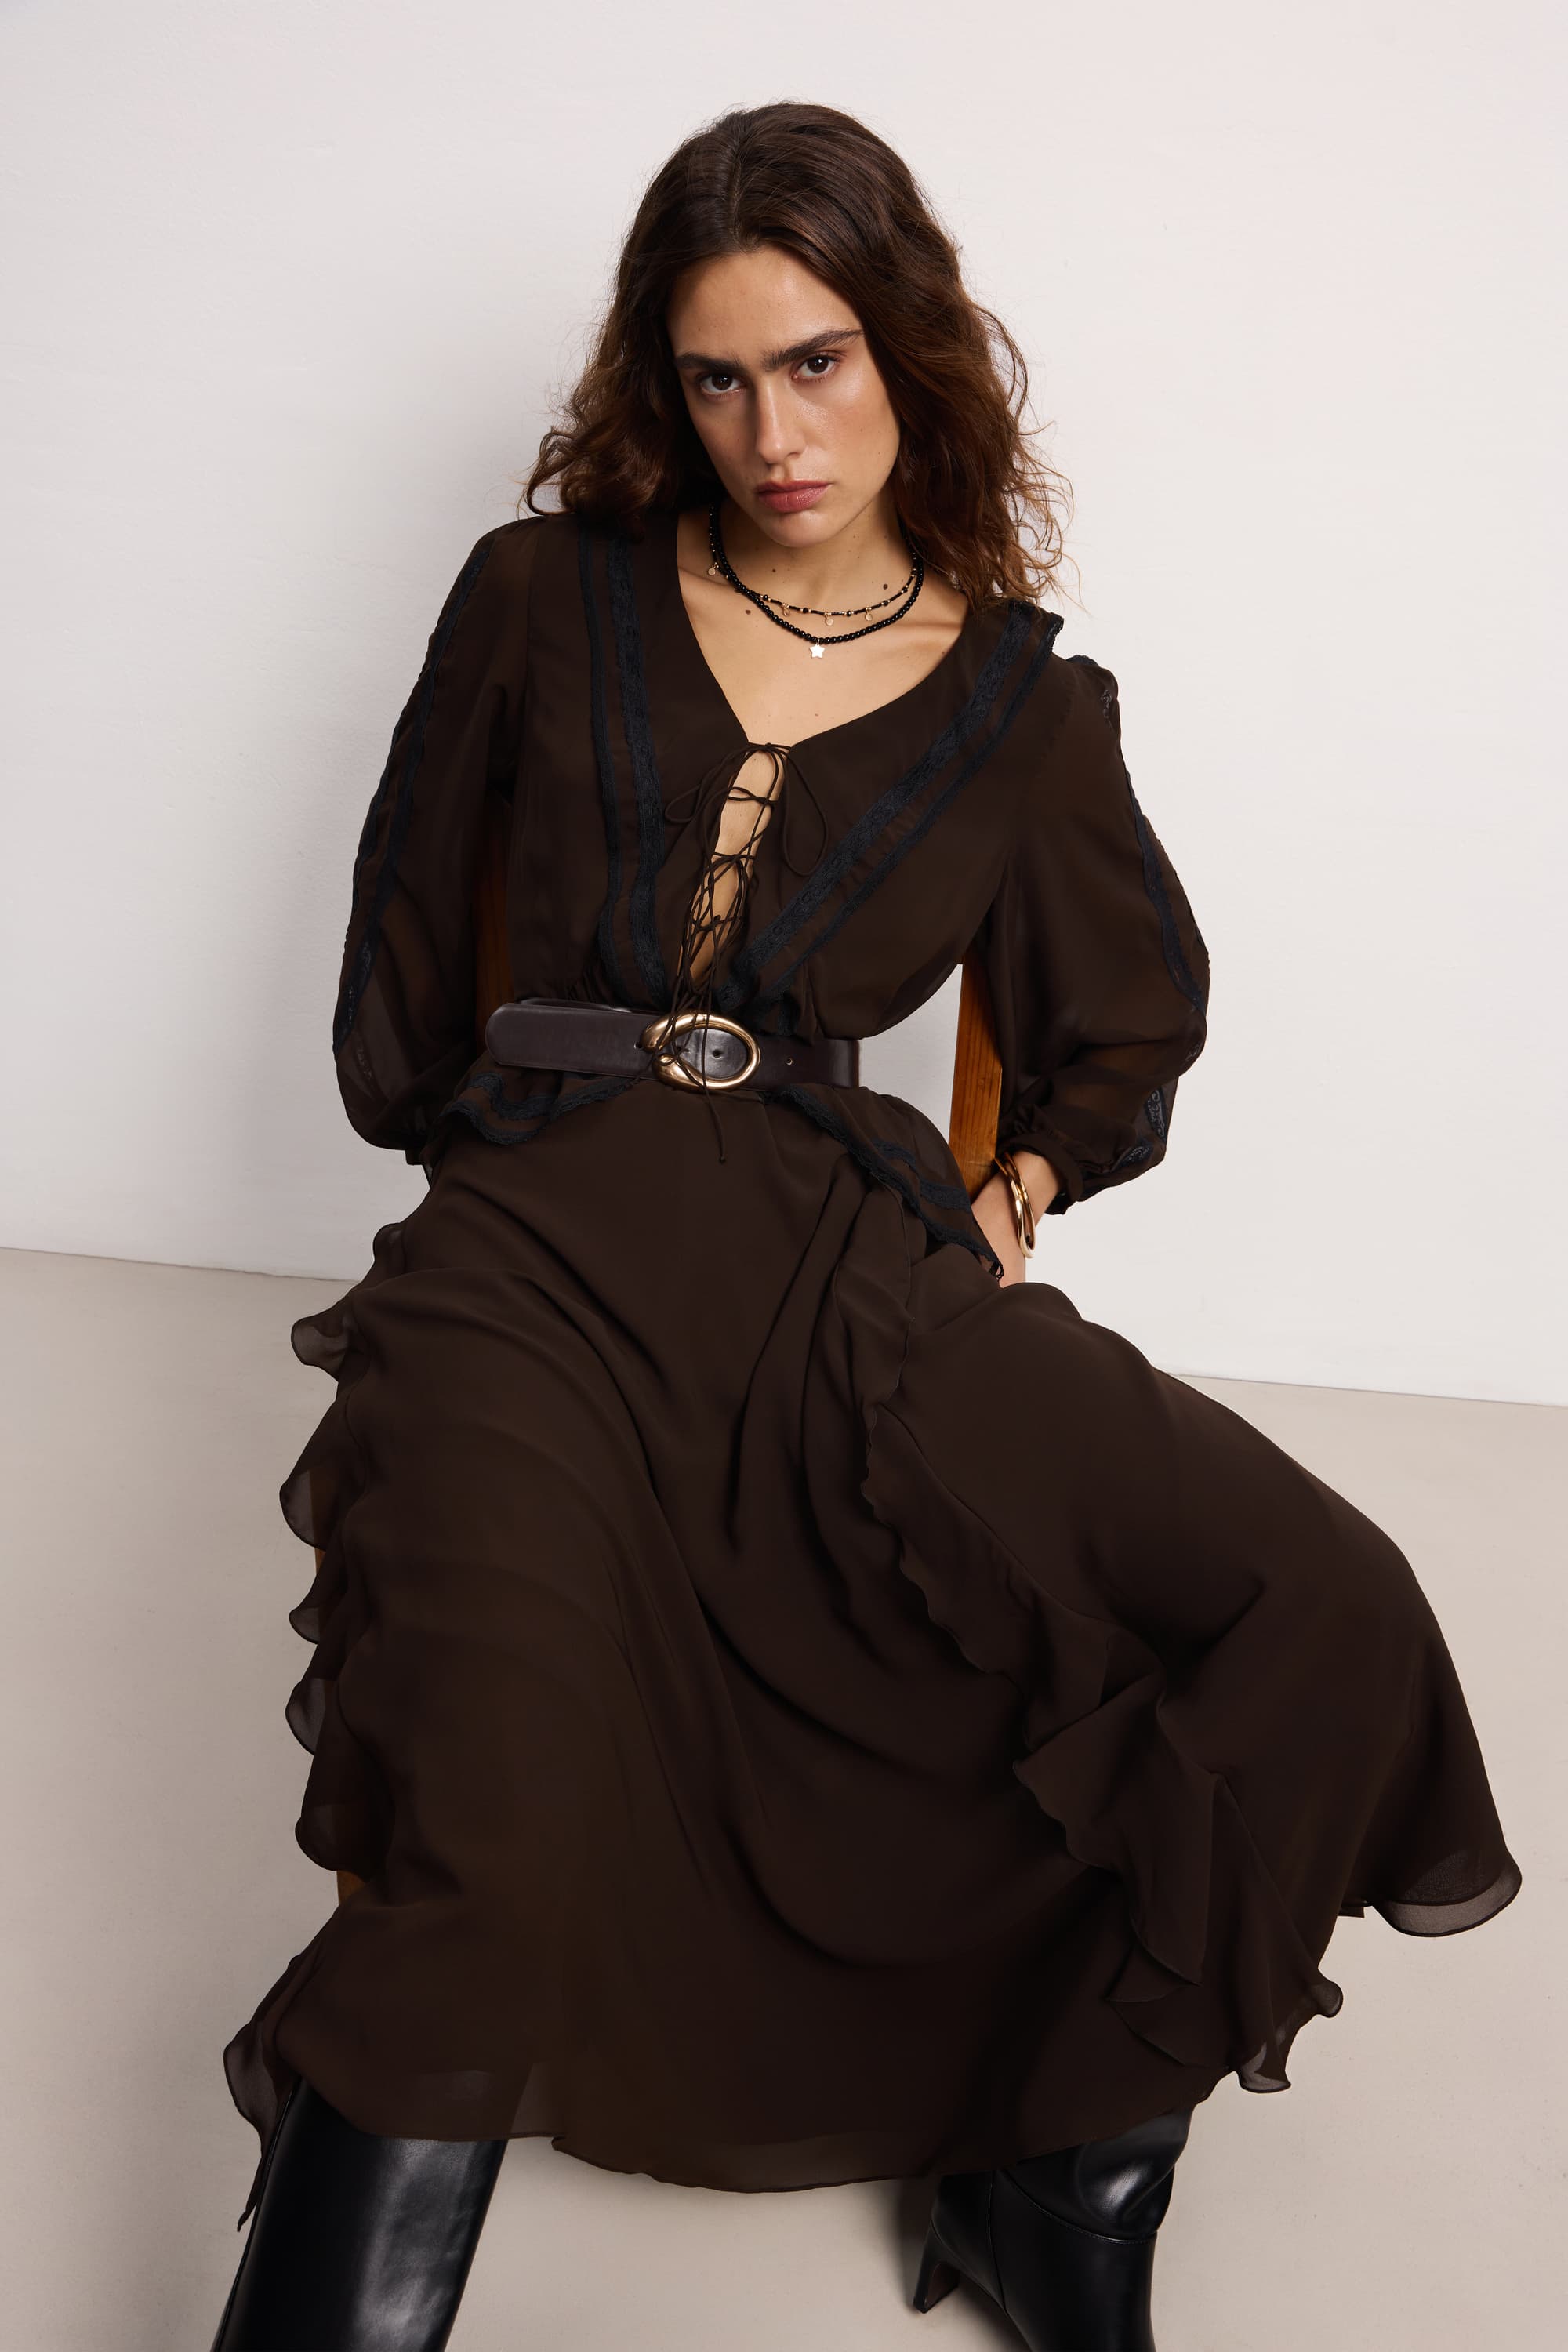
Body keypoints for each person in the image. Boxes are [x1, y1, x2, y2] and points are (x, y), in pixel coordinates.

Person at [209, 100, 1521, 2352]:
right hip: (531, 1264)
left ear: (910, 349)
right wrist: (513, 1163)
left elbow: (1127, 1019)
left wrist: (1014, 1189)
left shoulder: (1027, 705)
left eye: (814, 363)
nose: (773, 434)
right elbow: (402, 969)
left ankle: (1057, 2179)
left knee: (1323, 1600)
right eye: (716, 378)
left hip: (848, 1264)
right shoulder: (542, 594)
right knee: (490, 1832)